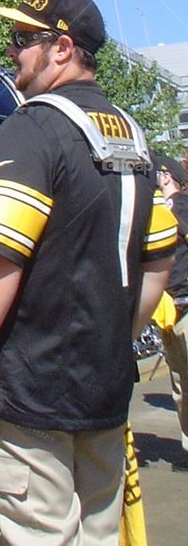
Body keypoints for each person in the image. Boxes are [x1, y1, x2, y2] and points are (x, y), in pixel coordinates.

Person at [0, 0, 177, 546]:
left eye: (22, 38)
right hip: (105, 394)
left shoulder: (33, 128)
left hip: (35, 396)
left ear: (61, 49)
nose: (11, 51)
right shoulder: (134, 137)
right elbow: (159, 258)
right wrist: (120, 336)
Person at [155, 154, 188, 464]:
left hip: (186, 305)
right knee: (180, 385)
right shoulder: (157, 212)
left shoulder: (183, 206)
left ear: (167, 177)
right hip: (170, 312)